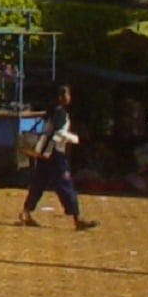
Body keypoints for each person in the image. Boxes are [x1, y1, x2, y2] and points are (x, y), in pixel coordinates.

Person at [20, 83, 98, 231]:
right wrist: (75, 138)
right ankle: (77, 218)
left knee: (39, 183)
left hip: (44, 153)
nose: (69, 98)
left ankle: (26, 212)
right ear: (61, 97)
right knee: (65, 185)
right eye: (67, 94)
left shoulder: (52, 112)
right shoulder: (61, 113)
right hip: (55, 154)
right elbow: (59, 133)